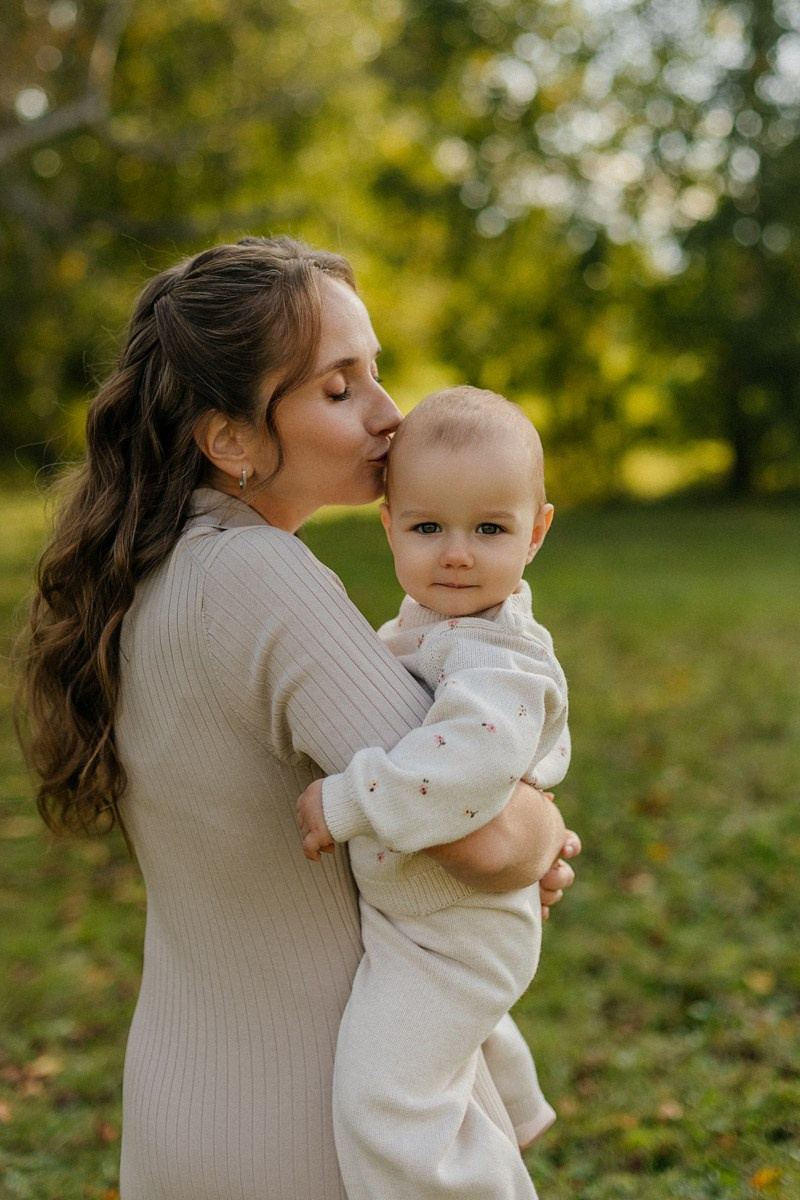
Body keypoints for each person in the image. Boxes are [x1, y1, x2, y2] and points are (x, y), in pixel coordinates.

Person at [20, 236, 579, 1200]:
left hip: (180, 1096)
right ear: (230, 437)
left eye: (377, 371)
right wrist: (545, 830)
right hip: (312, 1121)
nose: (387, 413)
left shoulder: (151, 570)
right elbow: (483, 841)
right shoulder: (262, 578)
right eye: (338, 386)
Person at [297, 386, 571, 1199]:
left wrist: (348, 801)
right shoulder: (428, 626)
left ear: (537, 532)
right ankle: (511, 1096)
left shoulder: (499, 660)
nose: (457, 553)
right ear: (389, 527)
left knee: (386, 1095)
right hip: (425, 912)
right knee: (442, 1032)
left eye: (489, 529)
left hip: (457, 926)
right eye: (427, 528)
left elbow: (465, 769)